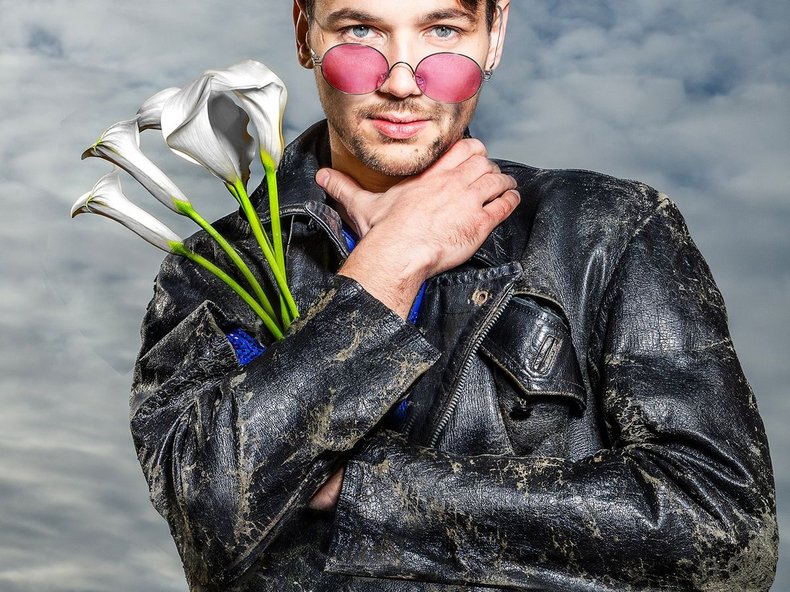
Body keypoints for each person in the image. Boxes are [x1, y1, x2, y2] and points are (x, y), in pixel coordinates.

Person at [130, 0, 778, 590]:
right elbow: (206, 512)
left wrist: (373, 489)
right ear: (304, 33)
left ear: (494, 36)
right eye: (361, 31)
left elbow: (727, 536)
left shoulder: (607, 230)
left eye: (442, 30)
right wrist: (388, 267)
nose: (401, 82)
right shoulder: (211, 269)